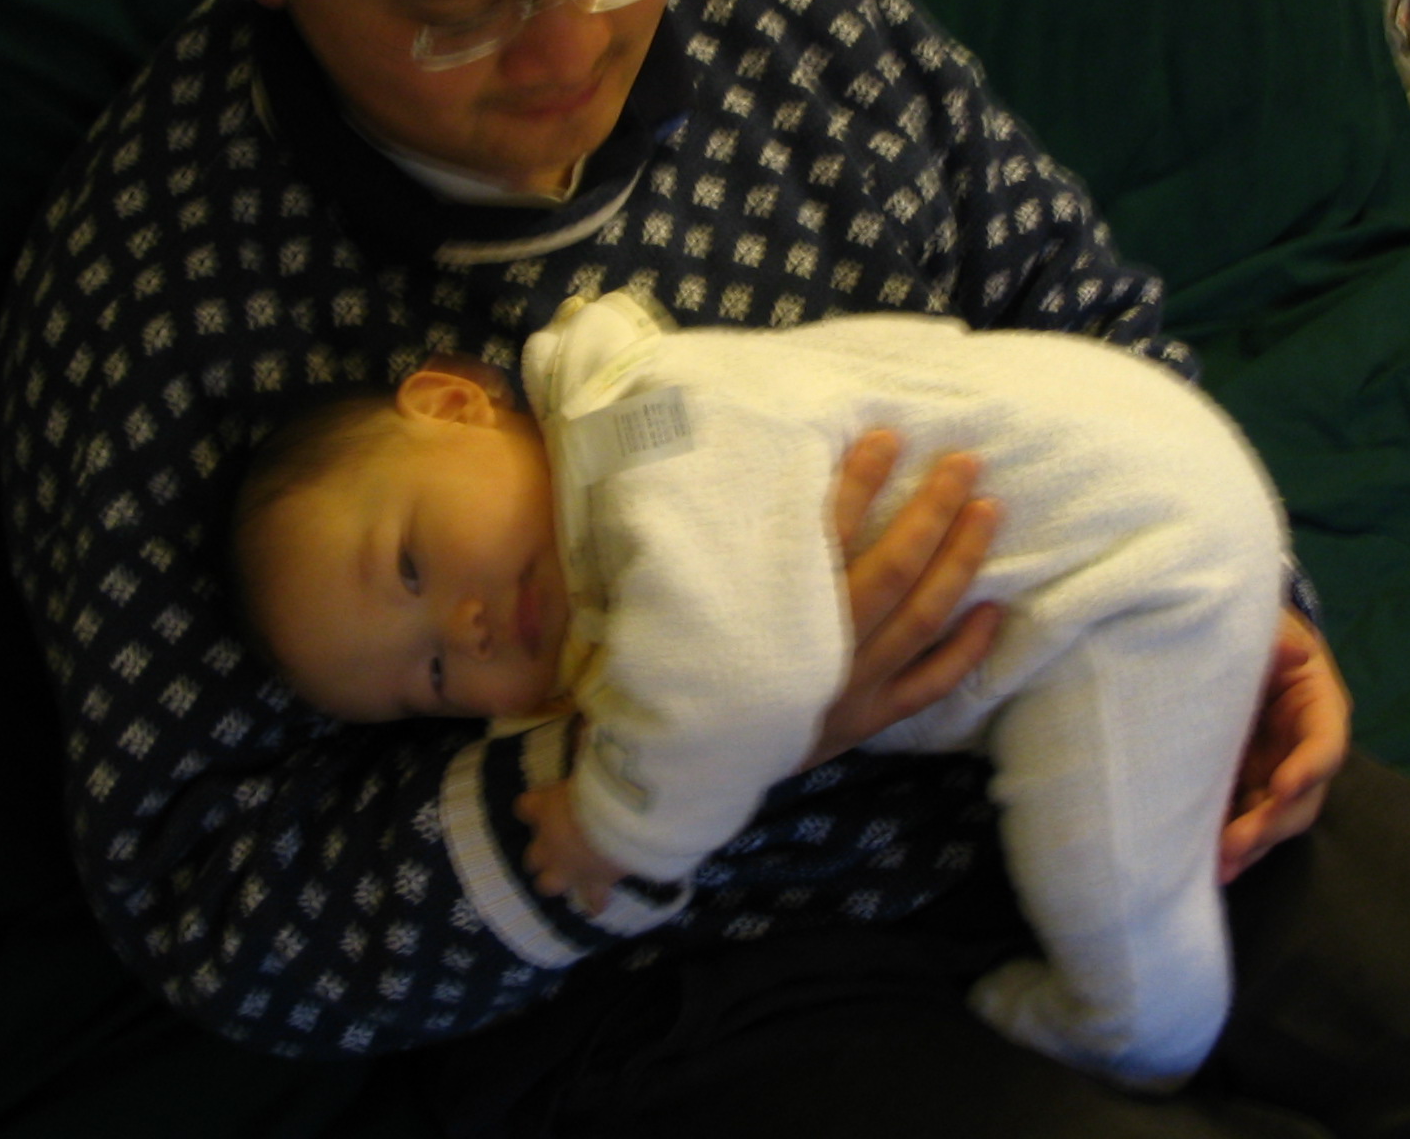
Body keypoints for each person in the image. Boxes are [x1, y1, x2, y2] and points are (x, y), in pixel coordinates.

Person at [0, 0, 1410, 1132]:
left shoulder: (796, 30)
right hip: (701, 967)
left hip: (1090, 710)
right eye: (461, 14)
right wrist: (654, 758)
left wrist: (1245, 608)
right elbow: (213, 906)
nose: (573, 51)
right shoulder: (160, 294)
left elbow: (1090, 324)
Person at [230, 287, 1289, 1091]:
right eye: (432, 676)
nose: (464, 628)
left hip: (1135, 575)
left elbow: (742, 682)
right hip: (1141, 482)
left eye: (411, 563)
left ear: (455, 403)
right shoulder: (642, 421)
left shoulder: (646, 443)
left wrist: (614, 826)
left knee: (1110, 868)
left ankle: (1140, 1029)